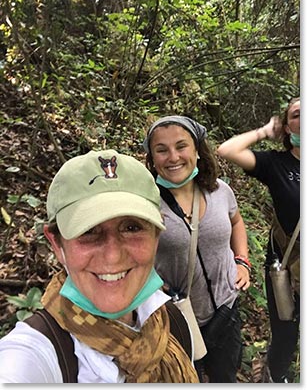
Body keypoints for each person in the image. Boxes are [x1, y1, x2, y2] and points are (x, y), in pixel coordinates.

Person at [0, 149, 199, 383]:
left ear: (157, 235)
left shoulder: (172, 323)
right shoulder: (33, 358)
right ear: (57, 243)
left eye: (132, 228)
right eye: (88, 231)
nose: (113, 256)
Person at [142, 115, 251, 383]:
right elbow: (128, 252)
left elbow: (236, 221)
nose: (173, 157)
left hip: (226, 309)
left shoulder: (220, 191)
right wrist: (149, 284)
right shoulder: (146, 203)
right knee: (187, 378)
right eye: (161, 150)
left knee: (225, 376)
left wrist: (242, 261)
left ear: (197, 151)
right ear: (152, 158)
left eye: (181, 146)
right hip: (176, 318)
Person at [217, 97, 300, 383]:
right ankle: (274, 376)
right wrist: (265, 131)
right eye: (297, 115)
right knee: (287, 331)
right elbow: (227, 150)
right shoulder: (277, 164)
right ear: (288, 127)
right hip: (288, 266)